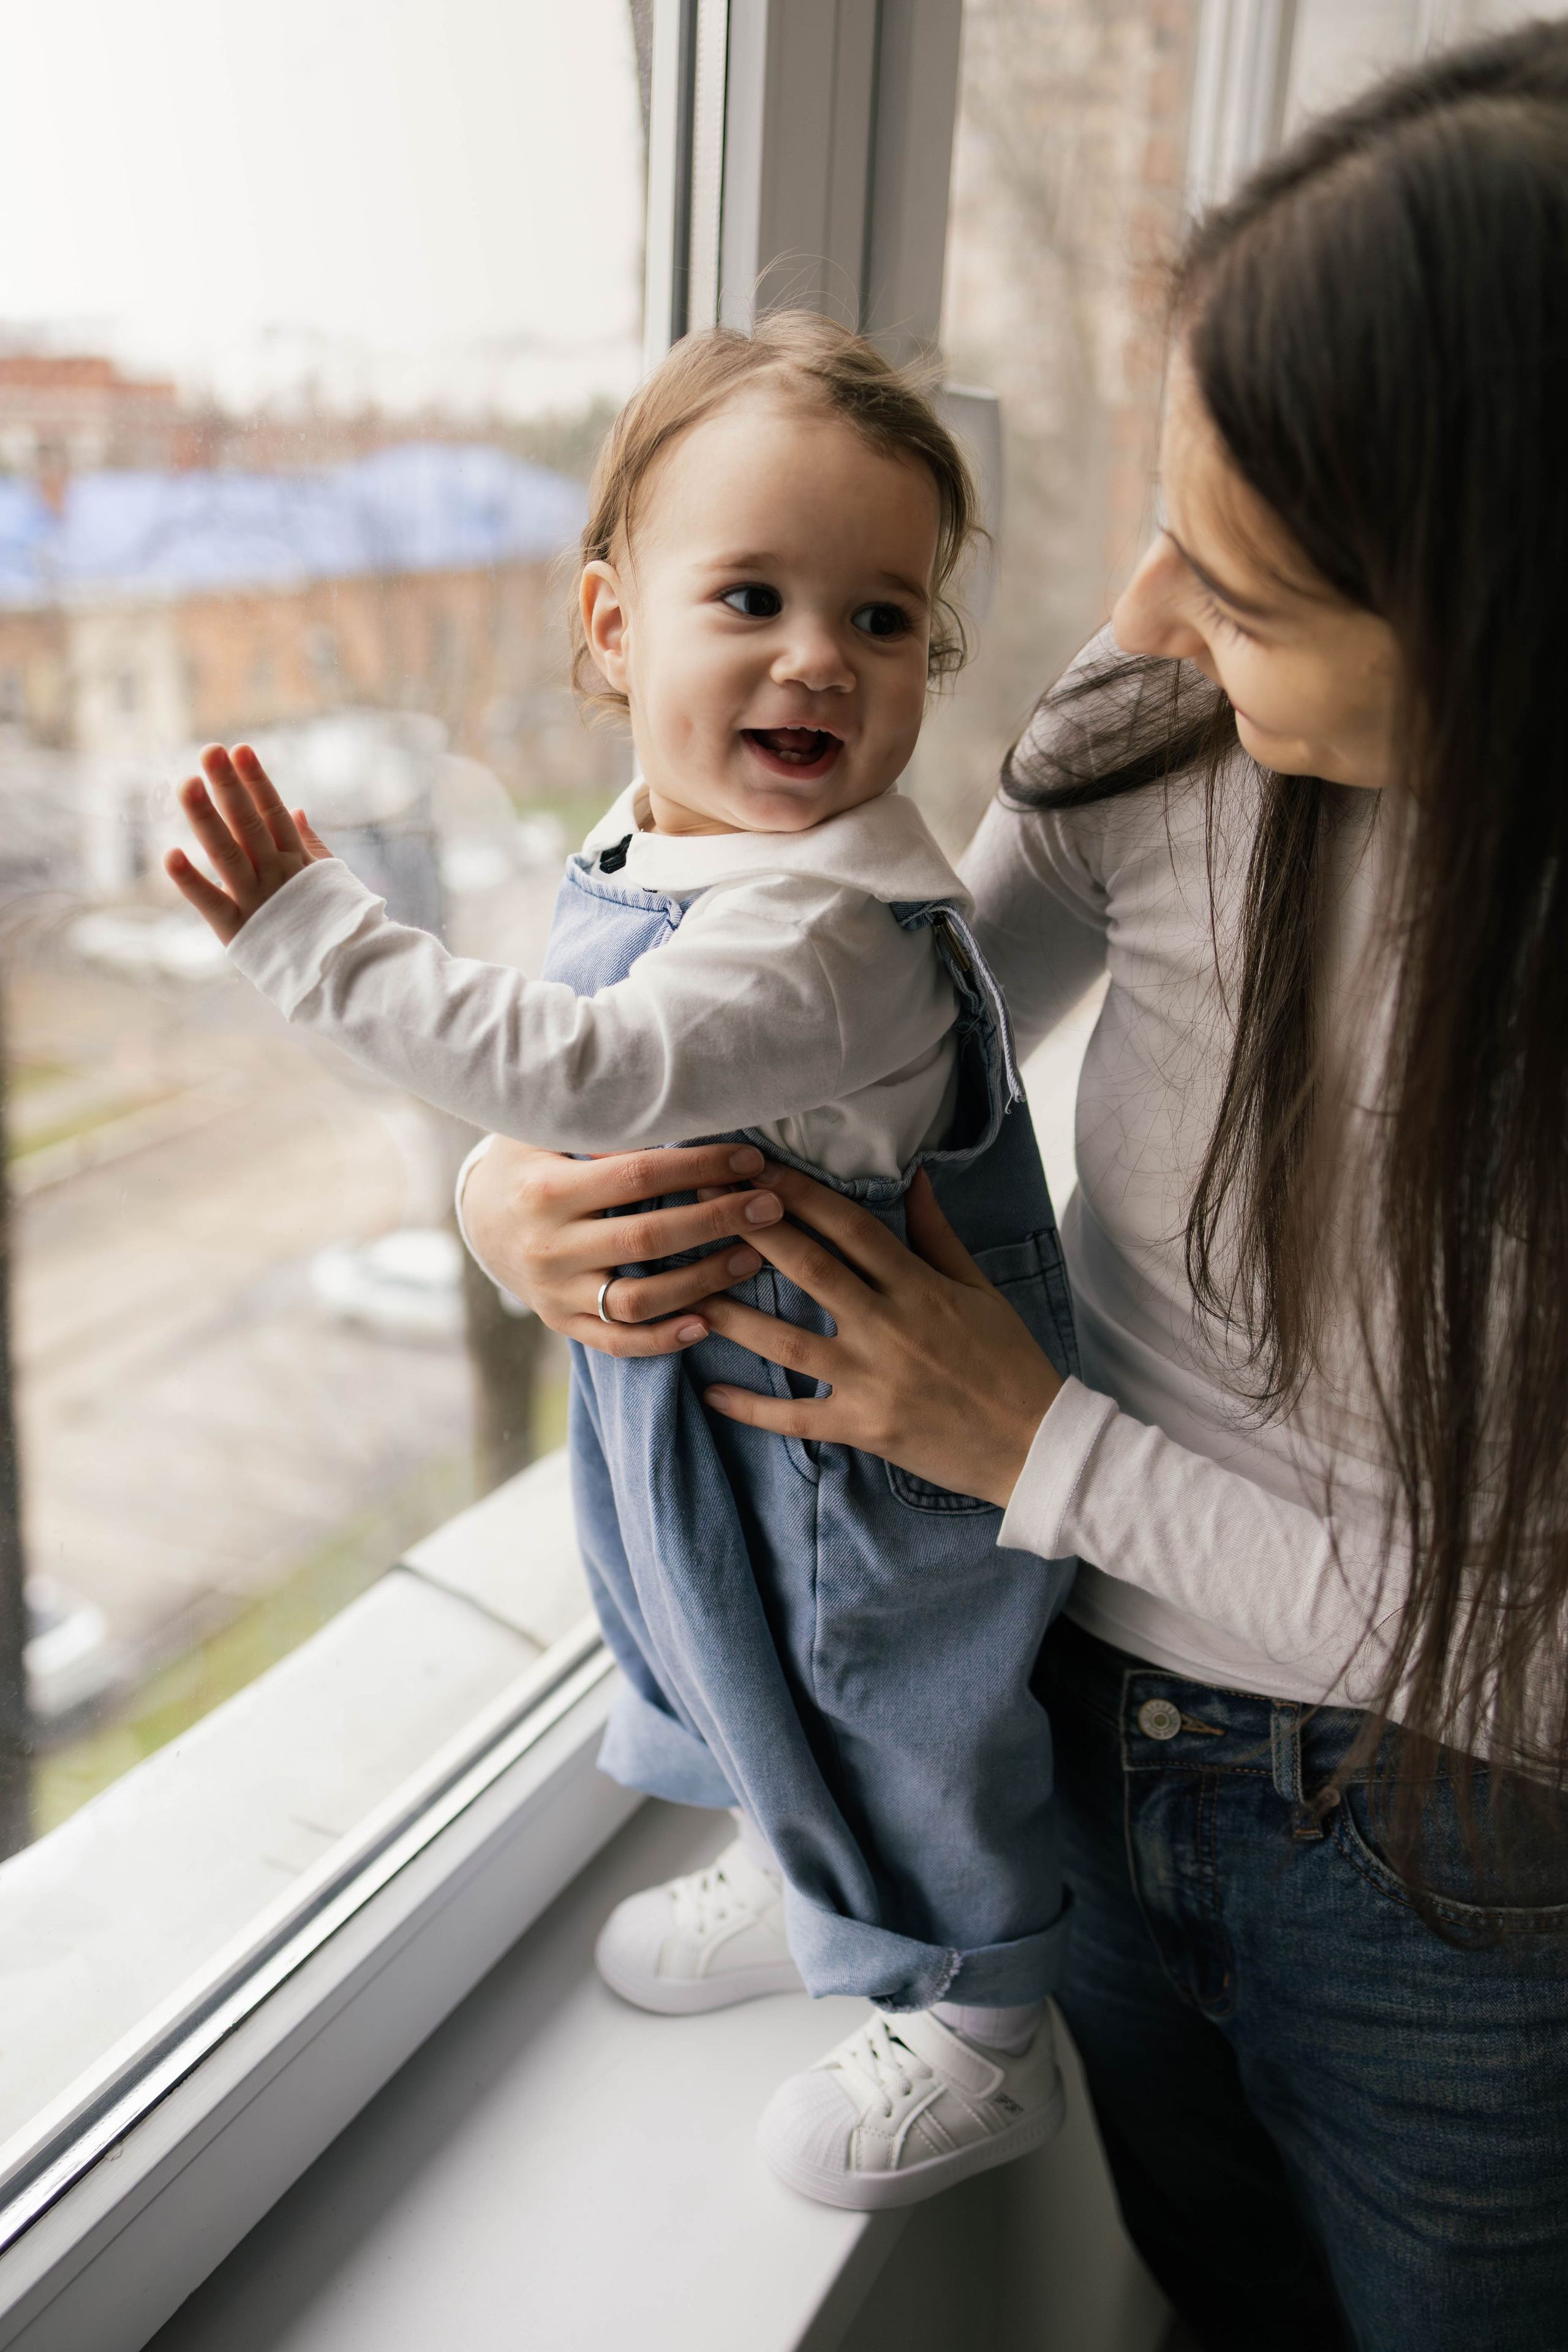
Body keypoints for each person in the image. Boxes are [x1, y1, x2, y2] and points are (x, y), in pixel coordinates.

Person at [458, 24, 1568, 2348]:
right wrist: (516, 1194)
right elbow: (859, 1024)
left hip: (1461, 1874)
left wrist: (1034, 1444)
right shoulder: (1161, 730)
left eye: (1250, 584)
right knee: (1215, 2287)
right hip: (1060, 1724)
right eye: (1171, 516)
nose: (1146, 610)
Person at [165, 314, 1080, 2214]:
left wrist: (313, 935)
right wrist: (503, 1200)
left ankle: (988, 2019)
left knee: (891, 1716)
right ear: (611, 631)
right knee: (706, 1644)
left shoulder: (822, 935)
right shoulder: (675, 849)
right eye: (749, 596)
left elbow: (586, 1068)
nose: (819, 658)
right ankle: (799, 1856)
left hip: (856, 1461)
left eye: (885, 619)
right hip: (718, 1417)